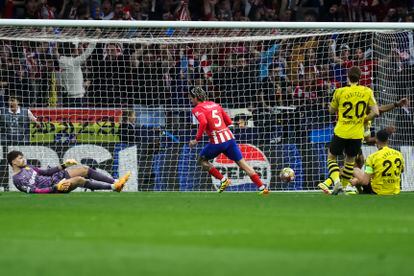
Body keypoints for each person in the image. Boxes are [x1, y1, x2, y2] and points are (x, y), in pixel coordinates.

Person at [188, 87, 269, 195]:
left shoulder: (197, 109)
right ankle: (262, 187)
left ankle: (223, 180)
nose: (190, 100)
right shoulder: (215, 105)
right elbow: (229, 121)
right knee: (243, 164)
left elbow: (203, 123)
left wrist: (196, 139)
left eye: (191, 98)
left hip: (217, 142)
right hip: (229, 138)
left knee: (202, 160)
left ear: (196, 97)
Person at [318, 66, 379, 195]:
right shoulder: (367, 91)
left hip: (342, 131)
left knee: (331, 157)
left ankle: (337, 183)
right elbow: (376, 112)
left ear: (348, 77)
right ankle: (344, 187)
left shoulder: (340, 91)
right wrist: (363, 119)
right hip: (357, 134)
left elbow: (331, 110)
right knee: (350, 161)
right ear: (360, 77)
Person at [7, 150, 130, 194]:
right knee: (79, 180)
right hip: (54, 187)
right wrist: (55, 188)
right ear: (14, 162)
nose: (24, 160)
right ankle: (114, 187)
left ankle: (116, 181)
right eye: (20, 158)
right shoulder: (17, 179)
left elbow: (47, 172)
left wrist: (65, 165)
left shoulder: (28, 167)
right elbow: (34, 191)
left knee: (84, 169)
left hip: (55, 178)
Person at [350, 129, 405, 195]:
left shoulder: (372, 157)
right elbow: (401, 170)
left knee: (355, 170)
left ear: (376, 140)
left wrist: (356, 181)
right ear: (388, 140)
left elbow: (365, 182)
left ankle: (359, 191)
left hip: (378, 191)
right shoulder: (399, 154)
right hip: (395, 191)